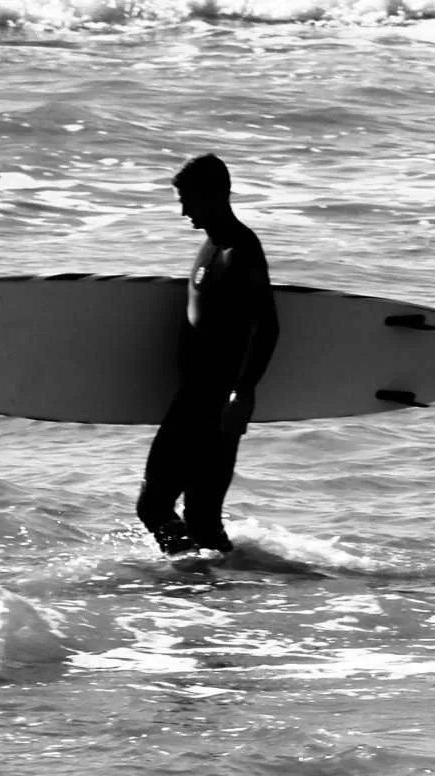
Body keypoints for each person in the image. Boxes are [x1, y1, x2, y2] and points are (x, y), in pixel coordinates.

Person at [136, 153, 278, 558]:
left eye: (189, 200)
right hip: (199, 396)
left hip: (211, 402)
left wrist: (242, 394)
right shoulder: (213, 245)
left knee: (156, 506)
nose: (183, 211)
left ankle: (189, 584)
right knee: (200, 517)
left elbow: (266, 326)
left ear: (215, 195)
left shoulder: (239, 251)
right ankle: (215, 592)